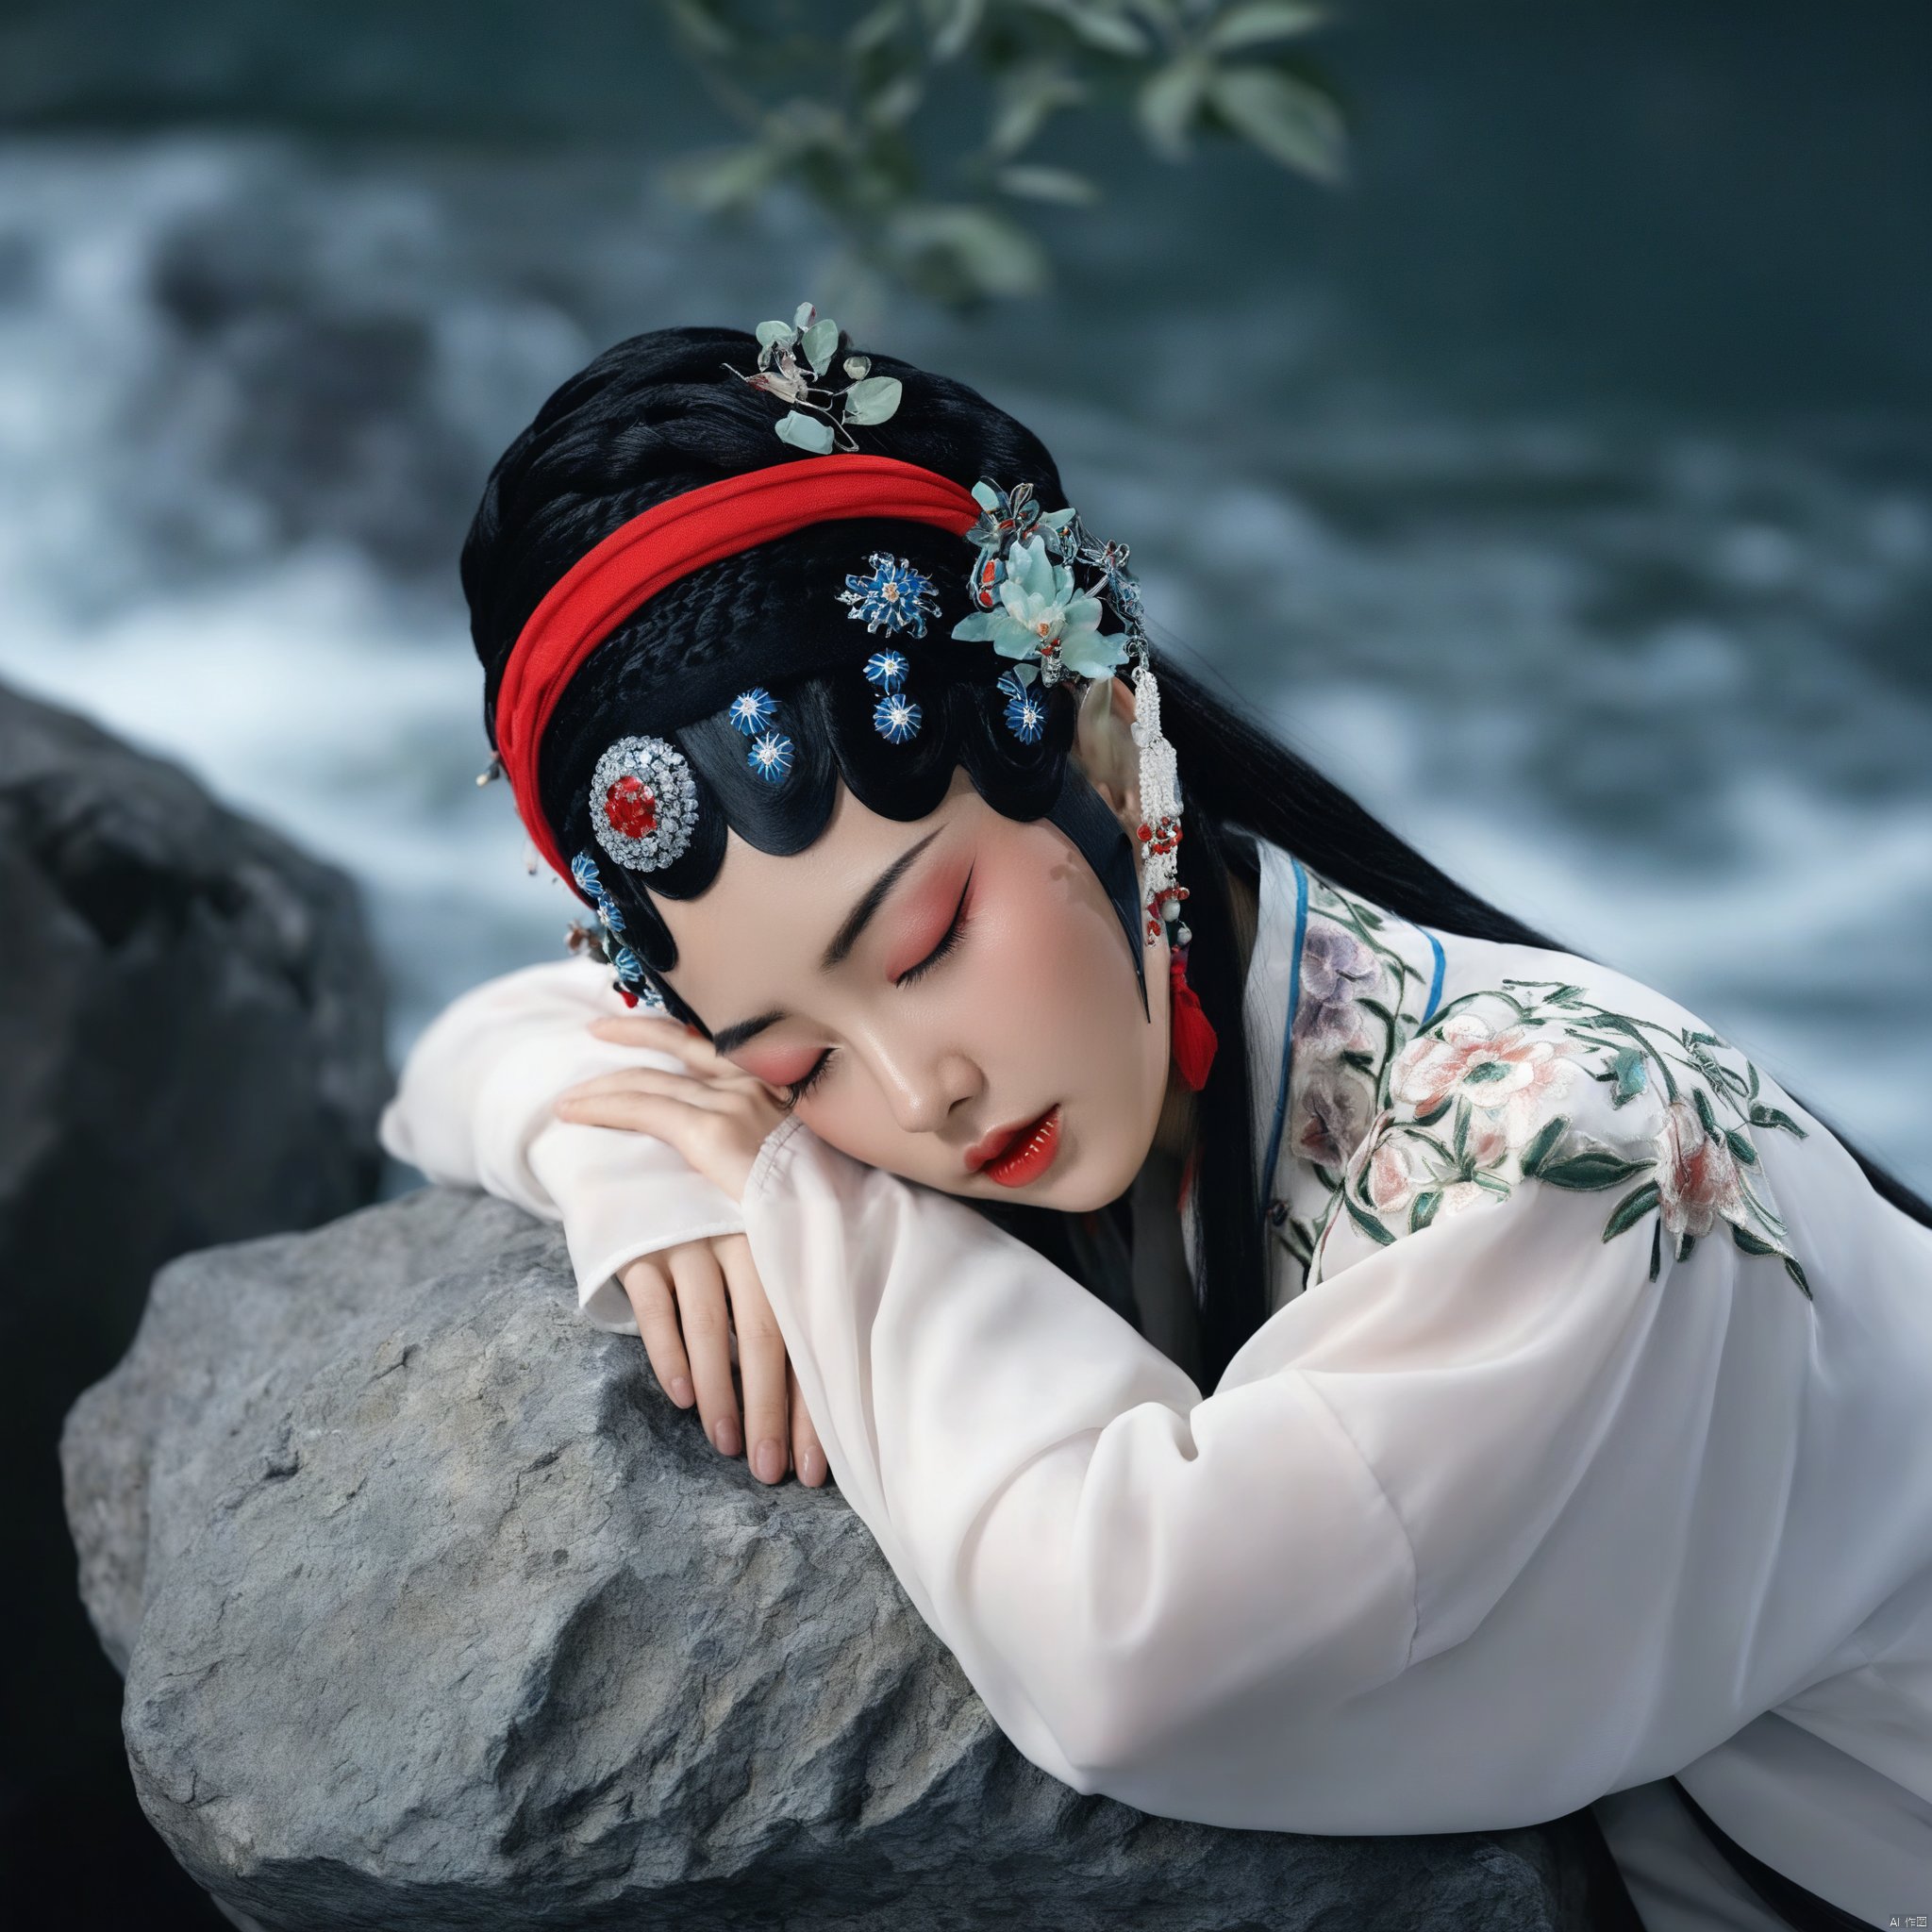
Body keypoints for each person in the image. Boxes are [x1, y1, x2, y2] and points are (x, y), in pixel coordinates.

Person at [378, 309, 1932, 1931]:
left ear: (1110, 747)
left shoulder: (1569, 1148)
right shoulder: (1180, 1003)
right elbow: (489, 1044)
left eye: (923, 948)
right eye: (792, 1064)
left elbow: (1128, 1650)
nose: (920, 1097)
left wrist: (798, 1196)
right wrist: (631, 1150)